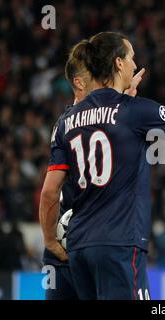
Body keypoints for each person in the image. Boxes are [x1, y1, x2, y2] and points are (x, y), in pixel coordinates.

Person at [39, 31, 165, 300]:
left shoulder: (66, 121)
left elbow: (50, 192)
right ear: (119, 63)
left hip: (78, 248)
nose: (135, 64)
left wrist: (51, 240)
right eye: (131, 57)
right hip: (119, 242)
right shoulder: (135, 110)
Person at [41, 41, 144, 300]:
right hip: (78, 242)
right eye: (97, 77)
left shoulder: (70, 122)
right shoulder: (70, 122)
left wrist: (123, 103)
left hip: (76, 242)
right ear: (79, 83)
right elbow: (49, 191)